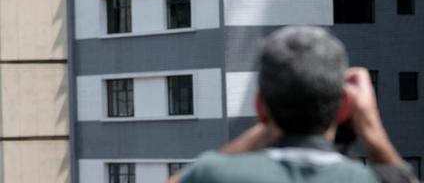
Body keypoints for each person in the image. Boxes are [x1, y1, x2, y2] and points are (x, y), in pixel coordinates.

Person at [170, 26, 418, 183]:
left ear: (260, 107)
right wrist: (370, 126)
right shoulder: (366, 179)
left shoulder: (215, 175)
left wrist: (274, 119)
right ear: (345, 108)